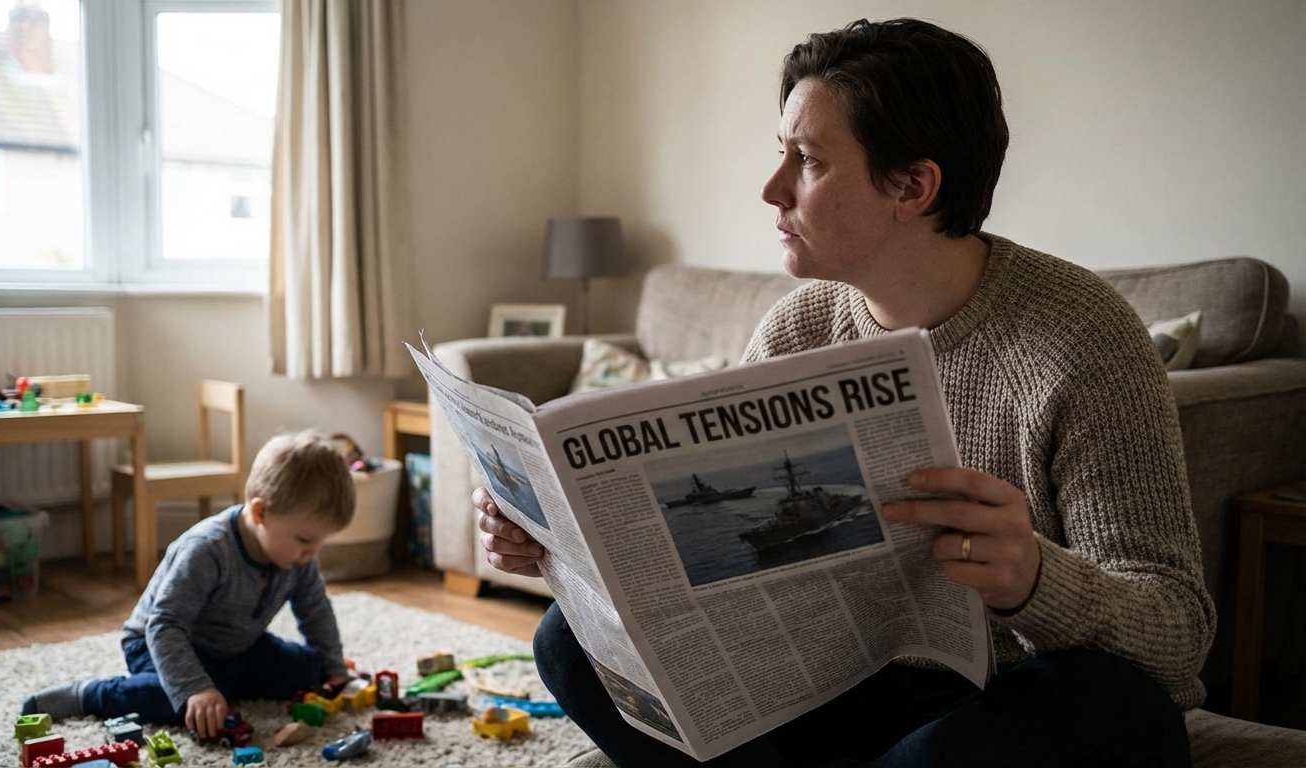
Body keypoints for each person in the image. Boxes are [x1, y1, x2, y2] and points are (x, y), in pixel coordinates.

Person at [476, 17, 1215, 768]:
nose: (771, 190)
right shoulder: (799, 327)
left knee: (1101, 711)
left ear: (913, 187)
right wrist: (566, 544)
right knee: (569, 642)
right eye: (781, 154)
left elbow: (1178, 629)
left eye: (808, 161)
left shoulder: (1084, 337)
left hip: (1005, 695)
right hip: (835, 693)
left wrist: (1033, 579)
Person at [21, 430, 356, 741]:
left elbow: (316, 611)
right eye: (305, 539)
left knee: (310, 671)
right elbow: (165, 625)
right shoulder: (208, 549)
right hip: (160, 643)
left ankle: (219, 683)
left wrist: (336, 670)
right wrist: (196, 688)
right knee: (183, 702)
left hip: (238, 647)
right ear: (261, 512)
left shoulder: (298, 558)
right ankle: (89, 694)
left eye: (321, 542)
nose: (313, 553)